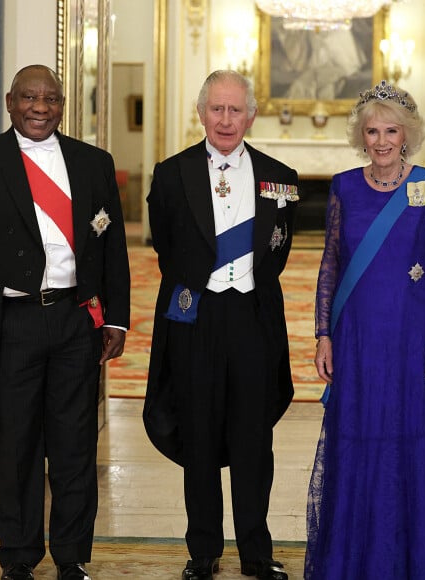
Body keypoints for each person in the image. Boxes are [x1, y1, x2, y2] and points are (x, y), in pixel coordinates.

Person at [0, 65, 130, 580]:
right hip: (12, 325)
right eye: (29, 97)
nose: (39, 107)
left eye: (50, 98)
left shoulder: (94, 164)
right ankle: (19, 557)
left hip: (76, 321)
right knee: (17, 446)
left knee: (74, 447)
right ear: (9, 101)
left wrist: (116, 318)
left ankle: (72, 557)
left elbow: (112, 249)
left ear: (63, 104)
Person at [143, 70, 299, 580]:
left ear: (251, 115)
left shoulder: (281, 176)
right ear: (201, 112)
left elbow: (278, 248)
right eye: (217, 109)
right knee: (201, 437)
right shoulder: (171, 174)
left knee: (254, 440)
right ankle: (203, 551)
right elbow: (165, 245)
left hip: (253, 320)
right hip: (197, 319)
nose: (226, 119)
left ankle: (256, 551)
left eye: (235, 110)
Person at [305, 80, 425, 579]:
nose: (383, 140)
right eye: (373, 131)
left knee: (408, 436)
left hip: (412, 340)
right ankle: (351, 559)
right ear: (361, 136)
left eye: (392, 130)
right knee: (357, 437)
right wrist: (323, 333)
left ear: (407, 133)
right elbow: (330, 264)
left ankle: (409, 561)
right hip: (357, 338)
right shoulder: (344, 186)